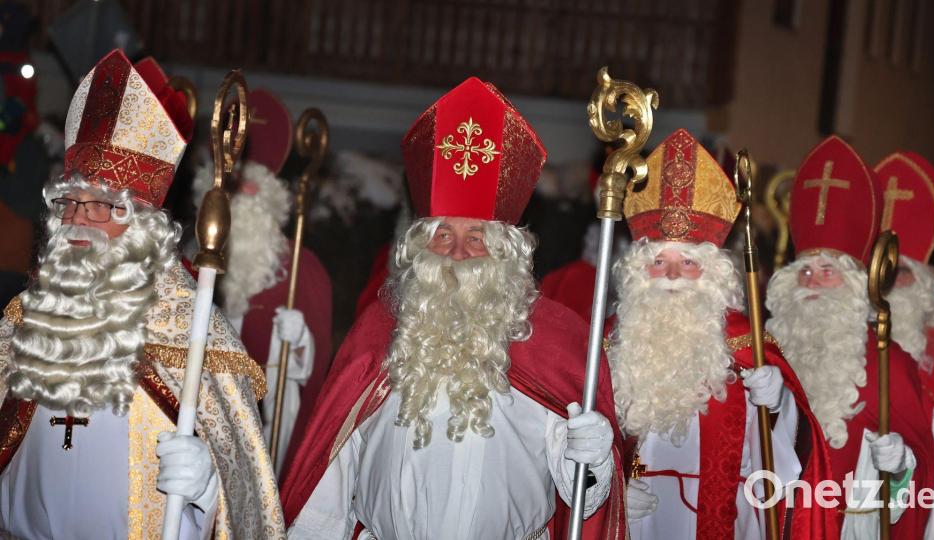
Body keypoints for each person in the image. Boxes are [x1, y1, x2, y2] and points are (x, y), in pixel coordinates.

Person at [281, 77, 626, 539]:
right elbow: (330, 477)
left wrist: (594, 457)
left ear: (506, 252)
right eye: (444, 235)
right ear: (421, 247)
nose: (459, 252)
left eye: (477, 237)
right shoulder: (382, 333)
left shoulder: (553, 340)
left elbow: (580, 495)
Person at [0, 50, 284, 539]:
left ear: (143, 227)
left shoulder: (195, 334)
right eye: (70, 201)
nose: (78, 220)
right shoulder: (23, 322)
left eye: (103, 205)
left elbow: (248, 489)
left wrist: (208, 488)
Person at [608, 128, 834, 539]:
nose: (673, 276)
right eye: (659, 261)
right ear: (637, 272)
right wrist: (611, 489)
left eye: (689, 263)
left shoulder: (749, 347)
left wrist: (780, 404)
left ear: (713, 274)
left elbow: (784, 461)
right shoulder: (609, 346)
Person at [765, 136, 934, 538]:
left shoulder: (888, 362)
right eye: (805, 272)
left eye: (828, 272)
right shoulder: (769, 353)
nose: (812, 284)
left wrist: (899, 468)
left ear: (856, 286)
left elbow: (920, 468)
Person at [187, 88, 333, 472]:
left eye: (250, 185)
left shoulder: (303, 267)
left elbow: (316, 370)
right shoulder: (190, 256)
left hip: (266, 423)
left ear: (270, 197)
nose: (241, 195)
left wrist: (300, 342)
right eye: (231, 187)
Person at [873, 150, 934, 536]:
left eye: (901, 273)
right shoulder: (849, 349)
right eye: (879, 272)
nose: (887, 287)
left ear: (928, 281)